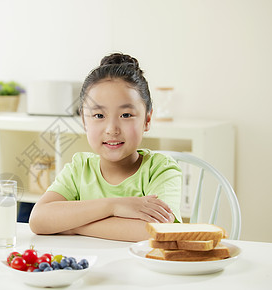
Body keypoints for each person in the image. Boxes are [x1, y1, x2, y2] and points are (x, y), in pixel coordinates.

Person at [28, 52, 182, 242]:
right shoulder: (80, 168)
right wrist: (113, 206)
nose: (112, 130)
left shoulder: (160, 169)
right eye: (99, 116)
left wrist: (73, 224)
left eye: (126, 115)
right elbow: (38, 219)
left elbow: (154, 232)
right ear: (84, 121)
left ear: (147, 120)